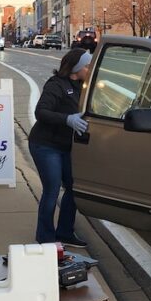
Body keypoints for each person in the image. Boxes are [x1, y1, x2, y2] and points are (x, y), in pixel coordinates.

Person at [27, 48, 92, 247]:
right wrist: (67, 119)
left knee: (73, 188)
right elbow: (41, 112)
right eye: (87, 65)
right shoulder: (56, 85)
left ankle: (65, 232)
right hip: (45, 145)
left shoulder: (84, 86)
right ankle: (46, 238)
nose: (90, 69)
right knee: (52, 190)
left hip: (66, 146)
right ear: (77, 67)